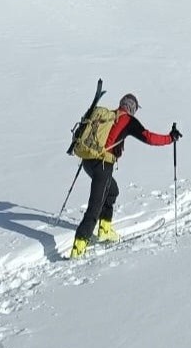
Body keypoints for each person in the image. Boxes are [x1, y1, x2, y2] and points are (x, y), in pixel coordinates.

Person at [70, 93, 180, 259]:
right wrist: (170, 138)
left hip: (87, 161)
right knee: (95, 205)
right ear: (132, 108)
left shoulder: (109, 115)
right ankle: (79, 246)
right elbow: (149, 137)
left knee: (112, 190)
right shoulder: (128, 120)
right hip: (103, 165)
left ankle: (105, 229)